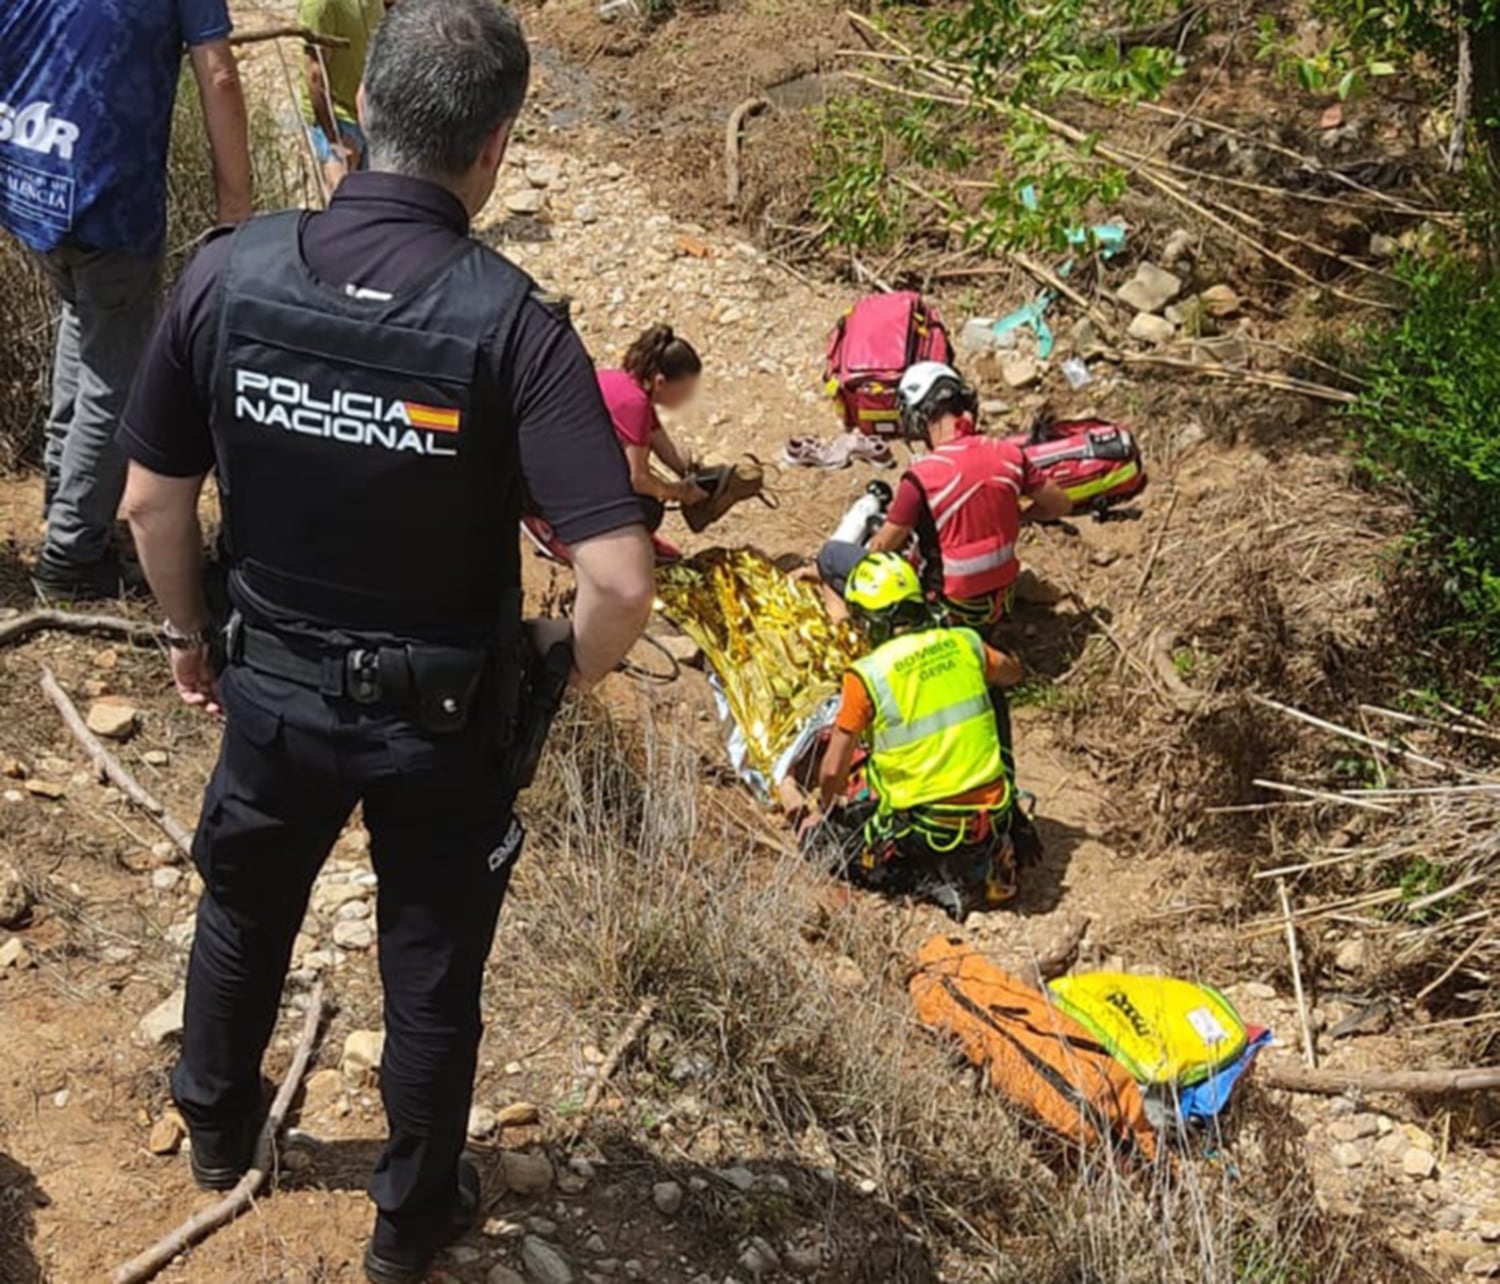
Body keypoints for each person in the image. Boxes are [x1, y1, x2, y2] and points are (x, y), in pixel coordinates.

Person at [116, 3, 655, 1281]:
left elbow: (147, 501)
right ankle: (410, 1220)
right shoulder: (514, 324)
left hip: (277, 686)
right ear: (497, 147)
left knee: (244, 906)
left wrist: (193, 636)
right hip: (445, 720)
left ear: (360, 118)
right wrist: (550, 672)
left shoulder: (229, 271)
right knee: (430, 970)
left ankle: (214, 1121)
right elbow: (621, 580)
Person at [0, 0, 252, 600]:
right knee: (114, 376)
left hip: (29, 177)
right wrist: (236, 208)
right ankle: (69, 558)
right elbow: (217, 73)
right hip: (106, 197)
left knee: (83, 325)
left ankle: (69, 507)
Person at [808, 552, 1025, 919]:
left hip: (927, 827)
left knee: (821, 846)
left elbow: (832, 772)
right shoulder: (964, 643)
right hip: (990, 814)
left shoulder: (867, 675)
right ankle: (985, 860)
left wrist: (825, 808)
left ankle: (929, 881)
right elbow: (1011, 674)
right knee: (994, 693)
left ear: (869, 620)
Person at [816, 361, 1072, 629]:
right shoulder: (1008, 454)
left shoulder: (922, 476)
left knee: (831, 556)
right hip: (996, 604)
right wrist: (1018, 516)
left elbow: (882, 548)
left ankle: (845, 632)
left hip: (944, 610)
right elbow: (1060, 504)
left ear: (918, 415)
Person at [597, 324, 767, 537]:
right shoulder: (635, 404)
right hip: (569, 482)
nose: (686, 399)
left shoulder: (624, 383)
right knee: (648, 511)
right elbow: (637, 479)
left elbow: (659, 441)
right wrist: (678, 492)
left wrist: (690, 471)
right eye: (683, 391)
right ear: (660, 382)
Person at [301, 0, 390, 193]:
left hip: (370, 111)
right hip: (337, 117)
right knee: (343, 198)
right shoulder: (320, 5)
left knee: (374, 200)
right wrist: (334, 139)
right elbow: (316, 76)